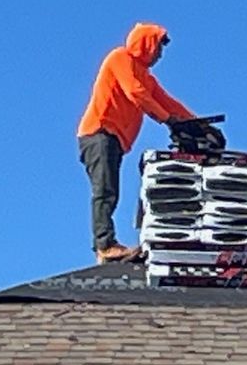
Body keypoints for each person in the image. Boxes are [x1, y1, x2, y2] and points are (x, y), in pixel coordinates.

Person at [75, 21, 195, 262]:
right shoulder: (120, 58)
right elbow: (136, 92)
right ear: (147, 44)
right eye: (158, 48)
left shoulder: (145, 76)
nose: (160, 55)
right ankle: (105, 246)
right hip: (99, 133)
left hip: (113, 139)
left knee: (110, 190)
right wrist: (168, 120)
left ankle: (107, 245)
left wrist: (195, 123)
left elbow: (167, 101)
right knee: (105, 191)